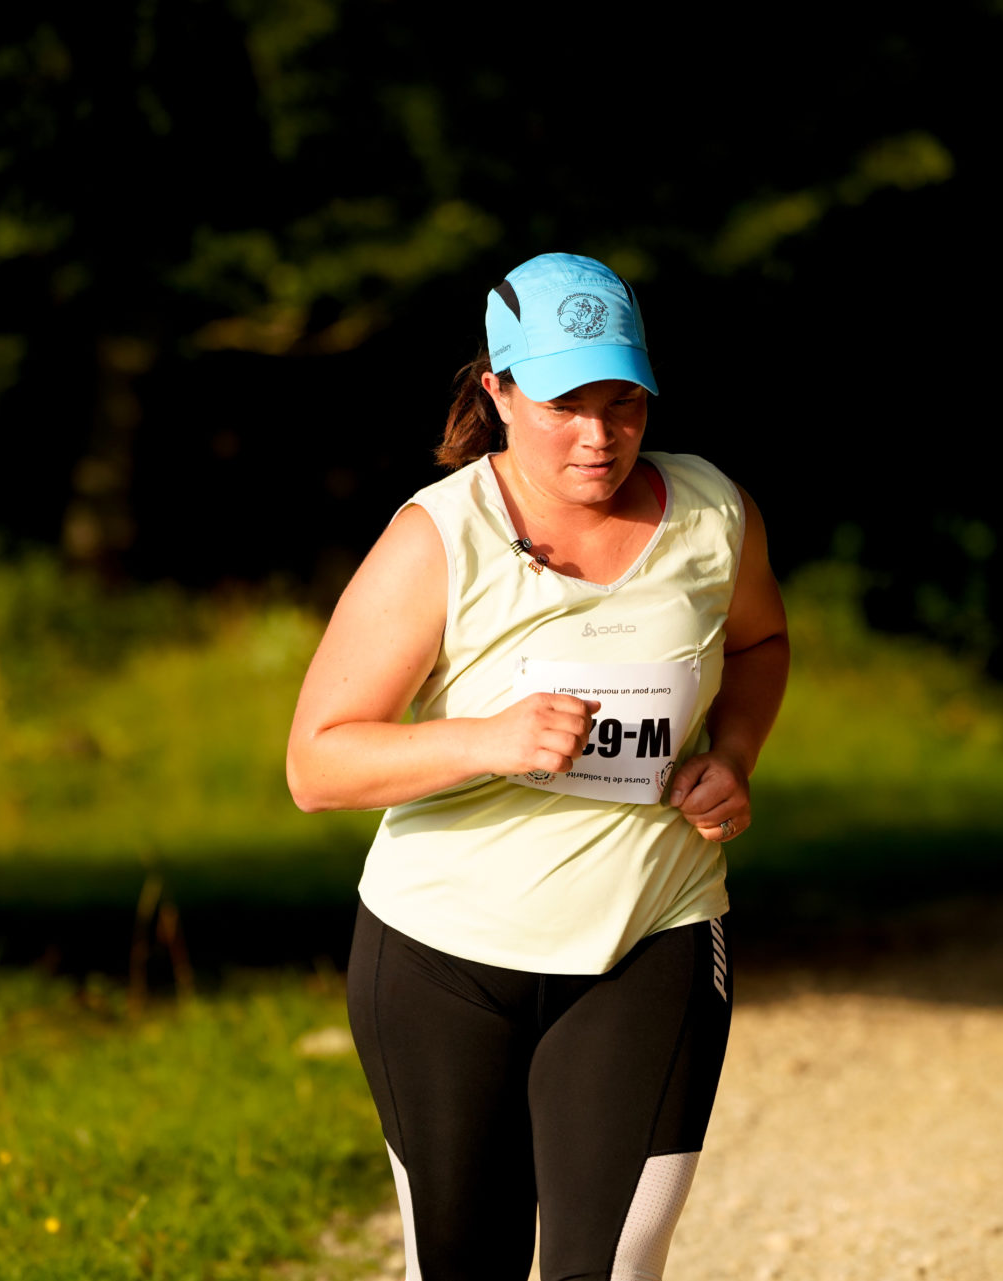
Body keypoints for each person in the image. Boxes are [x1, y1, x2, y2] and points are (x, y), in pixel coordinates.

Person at [286, 252, 788, 1279]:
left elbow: (760, 644)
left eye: (623, 402)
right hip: (442, 959)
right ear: (499, 392)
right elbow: (317, 763)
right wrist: (489, 740)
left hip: (652, 937)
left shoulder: (713, 513)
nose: (599, 436)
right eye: (564, 405)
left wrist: (733, 753)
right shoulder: (439, 536)